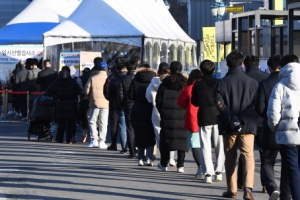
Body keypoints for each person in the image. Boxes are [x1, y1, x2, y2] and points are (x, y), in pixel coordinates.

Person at [214, 50, 258, 199]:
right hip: (247, 125)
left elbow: (219, 103)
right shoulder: (252, 83)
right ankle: (248, 189)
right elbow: (255, 105)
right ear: (241, 64)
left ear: (227, 64)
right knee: (248, 156)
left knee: (230, 157)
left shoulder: (221, 83)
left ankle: (232, 190)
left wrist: (232, 119)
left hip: (228, 125)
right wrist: (241, 119)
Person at [256, 55, 291, 200]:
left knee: (267, 161)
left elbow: (259, 108)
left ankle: (272, 187)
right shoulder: (289, 83)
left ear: (269, 67)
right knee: (287, 162)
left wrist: (268, 116)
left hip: (270, 128)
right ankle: (286, 193)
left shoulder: (264, 84)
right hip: (288, 128)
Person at [267, 54, 300, 200]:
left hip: (288, 136)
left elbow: (273, 114)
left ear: (283, 67)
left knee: (293, 171)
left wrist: (276, 128)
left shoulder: (279, 86)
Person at [237, 55, 269, 192]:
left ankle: (241, 182)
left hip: (246, 121)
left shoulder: (242, 78)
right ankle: (266, 184)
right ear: (259, 65)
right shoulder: (266, 78)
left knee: (245, 153)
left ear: (245, 65)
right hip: (263, 121)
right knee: (264, 154)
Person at [191, 60, 225, 183]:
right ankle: (219, 171)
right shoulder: (219, 82)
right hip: (218, 115)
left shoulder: (198, 85)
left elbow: (194, 102)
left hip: (204, 115)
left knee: (205, 145)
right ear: (214, 70)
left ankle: (208, 174)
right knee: (219, 145)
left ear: (201, 71)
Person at [156, 61, 188, 172]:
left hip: (167, 114)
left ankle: (164, 164)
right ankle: (180, 165)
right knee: (182, 139)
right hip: (183, 114)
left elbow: (158, 101)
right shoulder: (185, 83)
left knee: (165, 139)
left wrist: (162, 111)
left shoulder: (164, 84)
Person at [146, 63, 176, 165]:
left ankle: (164, 158)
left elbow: (148, 97)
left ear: (158, 71)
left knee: (159, 135)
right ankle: (171, 158)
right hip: (171, 110)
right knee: (172, 134)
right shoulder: (173, 81)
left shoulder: (153, 82)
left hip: (156, 111)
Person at [128, 63, 156, 163]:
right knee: (150, 136)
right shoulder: (154, 80)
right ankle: (149, 157)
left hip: (138, 106)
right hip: (150, 106)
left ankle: (140, 158)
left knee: (139, 137)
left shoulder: (135, 80)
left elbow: (130, 96)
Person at [178, 69, 203, 177]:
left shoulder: (188, 89)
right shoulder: (205, 87)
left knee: (195, 144)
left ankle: (200, 167)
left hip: (193, 118)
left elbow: (181, 102)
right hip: (208, 117)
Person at [45, 68, 81, 144]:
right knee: (71, 123)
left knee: (61, 123)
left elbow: (49, 92)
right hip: (71, 103)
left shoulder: (56, 82)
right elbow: (79, 91)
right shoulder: (73, 82)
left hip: (60, 103)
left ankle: (59, 138)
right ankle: (70, 139)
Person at [85, 62, 109, 149]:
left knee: (92, 121)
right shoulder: (108, 78)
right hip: (106, 103)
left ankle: (94, 140)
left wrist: (89, 98)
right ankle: (102, 141)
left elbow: (86, 90)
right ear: (107, 69)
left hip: (94, 102)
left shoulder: (92, 78)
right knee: (103, 122)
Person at [106, 57, 128, 152]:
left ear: (115, 65)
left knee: (114, 124)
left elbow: (107, 92)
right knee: (128, 125)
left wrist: (111, 99)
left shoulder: (111, 78)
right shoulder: (131, 77)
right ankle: (130, 146)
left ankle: (114, 143)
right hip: (128, 104)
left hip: (114, 103)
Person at [118, 60, 138, 158]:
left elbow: (120, 94)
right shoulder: (138, 78)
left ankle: (132, 151)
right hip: (138, 105)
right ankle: (139, 148)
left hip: (128, 106)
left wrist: (122, 104)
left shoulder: (123, 79)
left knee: (129, 128)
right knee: (138, 127)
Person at [79, 67, 91, 143]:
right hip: (91, 100)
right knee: (93, 120)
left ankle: (84, 137)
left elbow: (80, 89)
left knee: (84, 119)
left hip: (83, 100)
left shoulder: (80, 78)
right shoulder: (91, 78)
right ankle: (93, 138)